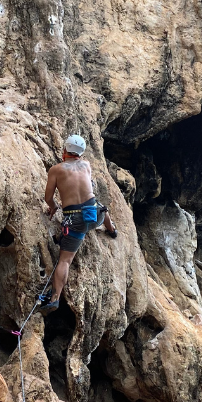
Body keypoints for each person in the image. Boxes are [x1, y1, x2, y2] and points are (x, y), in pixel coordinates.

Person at [39, 134, 117, 313]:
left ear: (65, 149)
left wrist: (53, 207)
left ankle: (54, 298)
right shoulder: (87, 165)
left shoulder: (56, 170)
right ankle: (112, 230)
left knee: (65, 260)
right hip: (95, 216)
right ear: (81, 153)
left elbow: (48, 198)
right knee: (100, 206)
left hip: (75, 221)